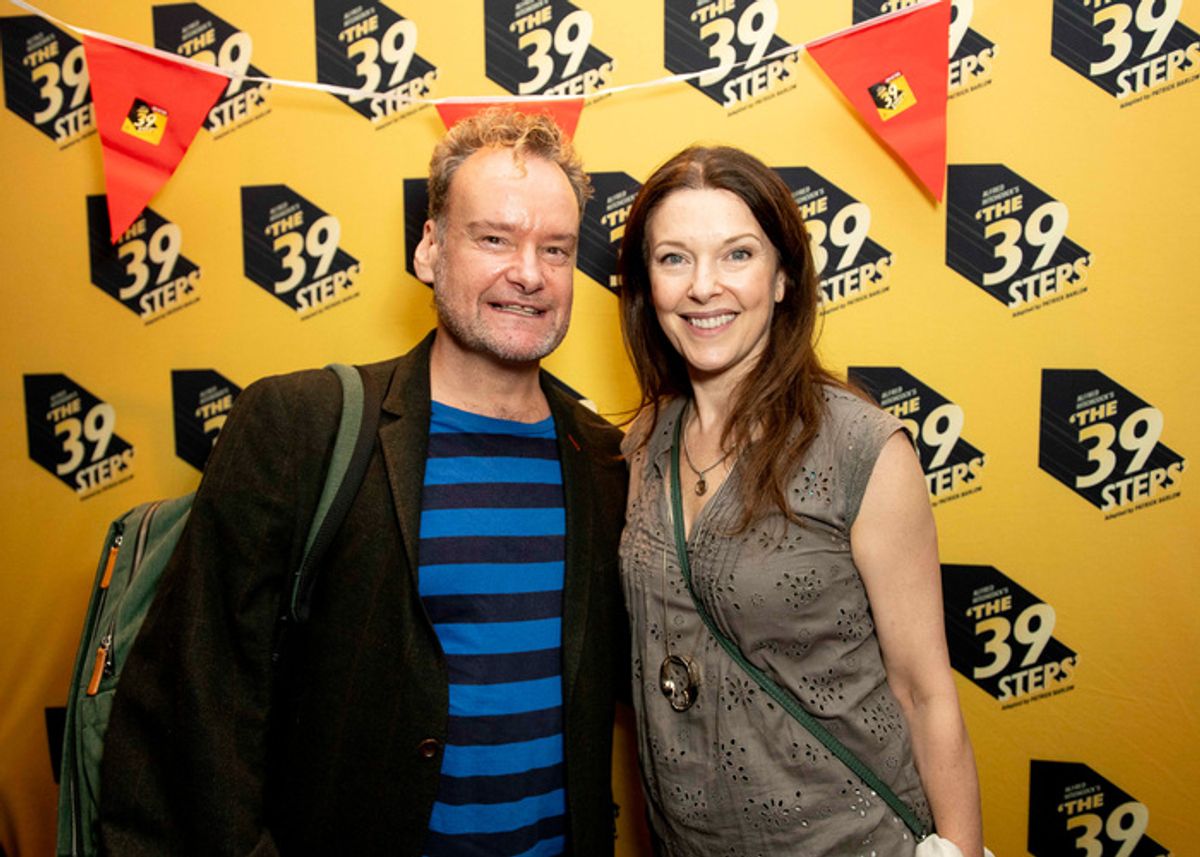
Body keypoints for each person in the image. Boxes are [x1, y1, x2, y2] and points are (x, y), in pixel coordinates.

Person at [98, 108, 628, 857]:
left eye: (556, 248)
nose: (530, 273)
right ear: (430, 249)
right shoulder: (301, 425)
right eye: (493, 238)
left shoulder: (604, 461)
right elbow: (195, 703)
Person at [615, 146, 985, 856]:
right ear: (644, 285)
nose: (703, 287)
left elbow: (924, 690)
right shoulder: (641, 443)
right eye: (673, 259)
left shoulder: (861, 448)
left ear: (784, 277)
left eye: (737, 255)